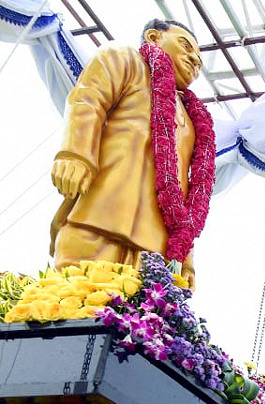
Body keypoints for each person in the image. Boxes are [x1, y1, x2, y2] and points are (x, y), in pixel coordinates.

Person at [51, 19, 213, 285]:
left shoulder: (194, 120)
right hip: (96, 221)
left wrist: (186, 255)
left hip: (153, 252)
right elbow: (88, 100)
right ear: (153, 37)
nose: (194, 59)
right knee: (74, 304)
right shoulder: (125, 59)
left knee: (136, 322)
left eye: (198, 58)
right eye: (185, 46)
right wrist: (75, 154)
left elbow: (185, 194)